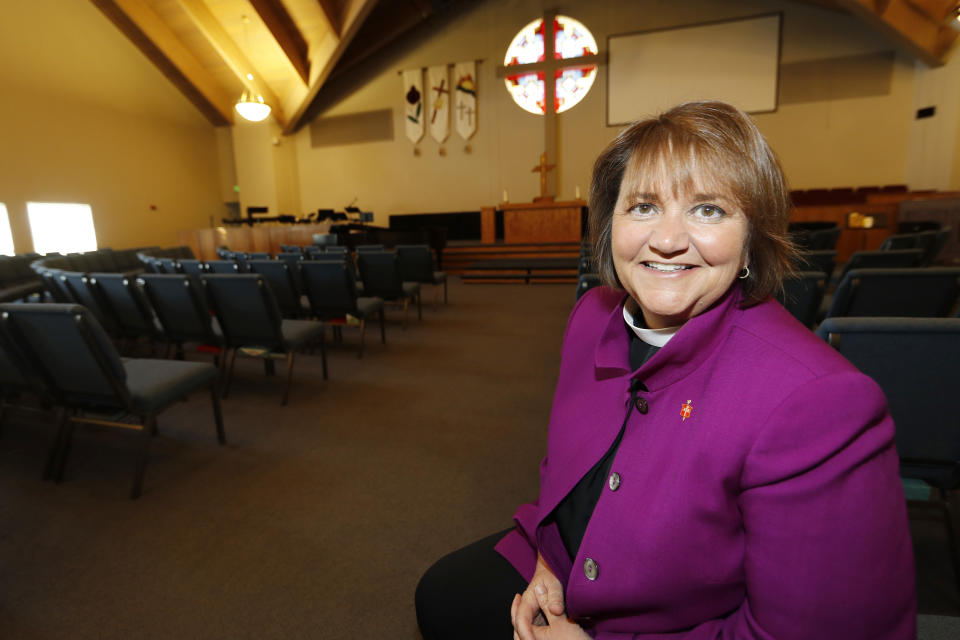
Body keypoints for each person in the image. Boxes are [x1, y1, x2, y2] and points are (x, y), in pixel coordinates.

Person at [415, 101, 916, 639]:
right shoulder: (592, 317)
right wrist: (547, 558)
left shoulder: (820, 402)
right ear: (611, 225)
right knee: (442, 596)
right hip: (568, 570)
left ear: (753, 236)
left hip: (670, 626)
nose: (668, 240)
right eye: (644, 207)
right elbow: (565, 467)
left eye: (708, 210)